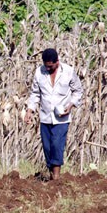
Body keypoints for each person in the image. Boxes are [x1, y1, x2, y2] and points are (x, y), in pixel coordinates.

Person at [24, 48, 84, 181]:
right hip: (45, 116)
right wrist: (30, 110)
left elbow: (78, 91)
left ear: (57, 62)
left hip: (61, 118)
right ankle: (52, 175)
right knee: (47, 147)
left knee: (57, 144)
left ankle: (56, 177)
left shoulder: (68, 72)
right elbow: (35, 93)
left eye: (50, 66)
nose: (48, 69)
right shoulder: (39, 72)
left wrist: (71, 105)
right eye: (46, 66)